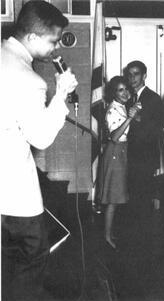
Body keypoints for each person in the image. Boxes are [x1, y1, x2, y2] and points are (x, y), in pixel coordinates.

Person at [0, 1, 78, 300]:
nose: (56, 47)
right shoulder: (29, 80)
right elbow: (41, 137)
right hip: (15, 197)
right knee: (30, 263)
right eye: (53, 40)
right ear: (32, 37)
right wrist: (59, 95)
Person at [124, 60, 164, 292]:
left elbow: (159, 127)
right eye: (129, 74)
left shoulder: (153, 98)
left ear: (144, 75)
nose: (132, 78)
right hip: (129, 157)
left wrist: (138, 119)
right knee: (133, 199)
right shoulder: (127, 96)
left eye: (136, 74)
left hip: (146, 158)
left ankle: (146, 246)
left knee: (144, 200)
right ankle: (135, 240)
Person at [98, 76, 140, 250]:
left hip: (121, 152)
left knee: (115, 196)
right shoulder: (112, 110)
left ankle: (109, 232)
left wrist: (134, 115)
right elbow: (114, 137)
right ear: (113, 93)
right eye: (120, 90)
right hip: (115, 152)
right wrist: (130, 118)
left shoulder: (122, 107)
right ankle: (106, 236)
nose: (125, 93)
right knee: (112, 199)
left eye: (126, 89)